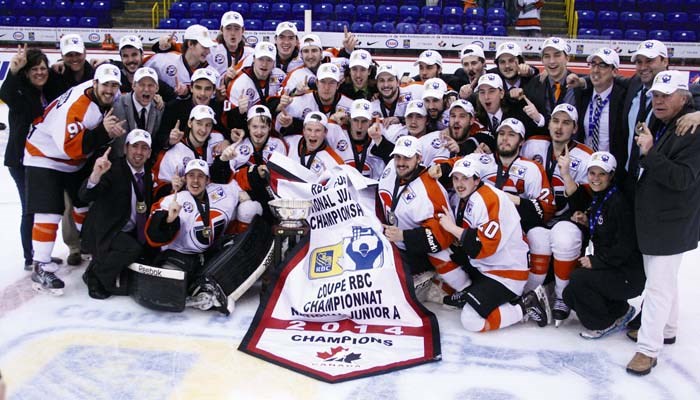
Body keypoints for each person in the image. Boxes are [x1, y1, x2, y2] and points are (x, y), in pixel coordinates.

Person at [24, 63, 126, 294]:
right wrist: (103, 133)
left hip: (73, 160)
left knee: (83, 204)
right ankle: (40, 264)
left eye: (114, 85)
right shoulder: (78, 107)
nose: (110, 90)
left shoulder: (101, 94)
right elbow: (70, 147)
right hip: (45, 155)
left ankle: (89, 247)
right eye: (106, 85)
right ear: (95, 83)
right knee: (49, 211)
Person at [626, 70, 700, 375]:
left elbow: (682, 179)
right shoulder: (666, 120)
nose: (659, 101)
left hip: (672, 221)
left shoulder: (693, 131)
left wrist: (650, 151)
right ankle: (667, 328)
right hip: (656, 218)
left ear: (684, 98)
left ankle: (648, 349)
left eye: (666, 96)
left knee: (656, 286)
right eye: (656, 95)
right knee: (663, 279)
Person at [437, 155, 552, 331]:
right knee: (441, 249)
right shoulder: (472, 196)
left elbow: (483, 246)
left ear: (476, 180)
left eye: (465, 178)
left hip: (505, 275)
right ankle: (471, 292)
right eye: (456, 178)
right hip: (487, 267)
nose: (459, 184)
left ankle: (525, 306)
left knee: (471, 321)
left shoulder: (488, 199)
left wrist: (452, 228)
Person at [520, 103, 593, 325]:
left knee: (563, 237)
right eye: (555, 121)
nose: (559, 127)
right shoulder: (533, 144)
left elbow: (585, 201)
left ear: (575, 127)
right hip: (539, 216)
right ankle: (532, 293)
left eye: (566, 123)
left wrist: (567, 175)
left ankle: (562, 296)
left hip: (568, 219)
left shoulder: (586, 155)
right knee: (536, 239)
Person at [146, 159, 262, 297]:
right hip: (181, 254)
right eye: (191, 175)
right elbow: (152, 236)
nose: (195, 181)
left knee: (251, 207)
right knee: (169, 290)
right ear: (185, 179)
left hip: (211, 252)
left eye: (200, 176)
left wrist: (257, 174)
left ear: (208, 180)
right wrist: (168, 219)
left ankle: (244, 261)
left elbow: (239, 180)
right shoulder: (174, 200)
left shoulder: (220, 191)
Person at [559, 151, 643, 339]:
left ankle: (603, 323)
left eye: (602, 174)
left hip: (628, 274)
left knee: (579, 279)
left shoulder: (618, 202)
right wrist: (586, 221)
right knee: (570, 294)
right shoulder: (600, 197)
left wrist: (596, 261)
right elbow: (602, 225)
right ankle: (620, 311)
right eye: (592, 173)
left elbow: (625, 245)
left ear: (611, 175)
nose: (596, 179)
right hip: (613, 268)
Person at [378, 136, 471, 298]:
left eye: (407, 158)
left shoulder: (430, 189)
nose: (401, 162)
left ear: (419, 158)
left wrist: (404, 236)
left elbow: (442, 236)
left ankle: (464, 289)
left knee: (440, 255)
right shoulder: (391, 169)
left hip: (416, 249)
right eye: (398, 157)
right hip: (392, 240)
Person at [0, 45, 61, 269]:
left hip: (43, 159)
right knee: (30, 208)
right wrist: (13, 71)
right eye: (34, 69)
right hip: (21, 160)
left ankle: (38, 252)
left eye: (43, 68)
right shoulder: (19, 92)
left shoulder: (49, 88)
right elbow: (4, 93)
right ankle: (30, 257)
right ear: (26, 73)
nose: (40, 73)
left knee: (42, 207)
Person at [79, 129, 156, 299]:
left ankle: (100, 265)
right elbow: (85, 195)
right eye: (135, 146)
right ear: (125, 149)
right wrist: (95, 175)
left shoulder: (148, 174)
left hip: (127, 228)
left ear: (149, 153)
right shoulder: (112, 169)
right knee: (131, 248)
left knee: (148, 249)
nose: (139, 152)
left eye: (144, 148)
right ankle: (94, 276)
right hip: (105, 229)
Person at [154, 104, 229, 198]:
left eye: (208, 125)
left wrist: (228, 142)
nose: (203, 130)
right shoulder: (172, 153)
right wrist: (172, 187)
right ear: (190, 123)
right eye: (199, 123)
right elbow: (156, 190)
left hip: (215, 199)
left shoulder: (218, 139)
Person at [575, 48, 627, 156]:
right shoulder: (582, 93)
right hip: (585, 164)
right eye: (593, 64)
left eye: (602, 65)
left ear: (614, 71)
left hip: (612, 167)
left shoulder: (624, 98)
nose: (595, 70)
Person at [276, 63, 353, 135]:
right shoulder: (299, 102)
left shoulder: (350, 106)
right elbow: (279, 128)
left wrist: (350, 123)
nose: (326, 87)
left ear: (338, 85)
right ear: (316, 83)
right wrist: (289, 124)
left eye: (332, 82)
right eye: (323, 82)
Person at [225, 41, 286, 129]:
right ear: (253, 59)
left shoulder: (280, 76)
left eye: (269, 60)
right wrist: (239, 112)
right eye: (261, 59)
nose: (264, 64)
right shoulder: (238, 83)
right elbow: (227, 121)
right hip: (246, 130)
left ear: (274, 63)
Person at [145, 24, 218, 97]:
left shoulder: (213, 73)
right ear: (190, 44)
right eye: (204, 47)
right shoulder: (164, 60)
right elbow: (141, 70)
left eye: (208, 47)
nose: (208, 51)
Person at [111, 67, 163, 157]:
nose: (146, 89)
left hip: (144, 163)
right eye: (142, 85)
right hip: (119, 162)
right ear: (133, 85)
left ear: (157, 88)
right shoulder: (116, 105)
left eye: (150, 85)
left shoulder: (160, 107)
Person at [114, 35, 175, 102]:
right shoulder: (114, 76)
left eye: (134, 55)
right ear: (121, 58)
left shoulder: (151, 77)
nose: (130, 60)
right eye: (125, 56)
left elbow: (175, 99)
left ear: (142, 54)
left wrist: (163, 104)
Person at [284, 111, 345, 177]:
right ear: (303, 130)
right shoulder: (288, 142)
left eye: (318, 130)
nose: (313, 135)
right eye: (309, 130)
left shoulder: (335, 162)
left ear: (325, 132)